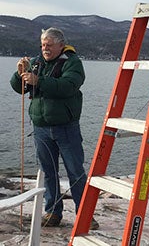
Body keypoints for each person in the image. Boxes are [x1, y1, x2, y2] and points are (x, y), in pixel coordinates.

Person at [10, 27, 98, 230]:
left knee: (75, 172)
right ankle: (53, 213)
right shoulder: (36, 62)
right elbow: (19, 88)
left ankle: (85, 215)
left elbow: (68, 86)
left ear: (60, 45)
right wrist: (19, 73)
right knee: (49, 172)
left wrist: (39, 81)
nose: (44, 48)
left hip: (66, 128)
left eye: (49, 45)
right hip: (41, 128)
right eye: (42, 44)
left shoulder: (73, 63)